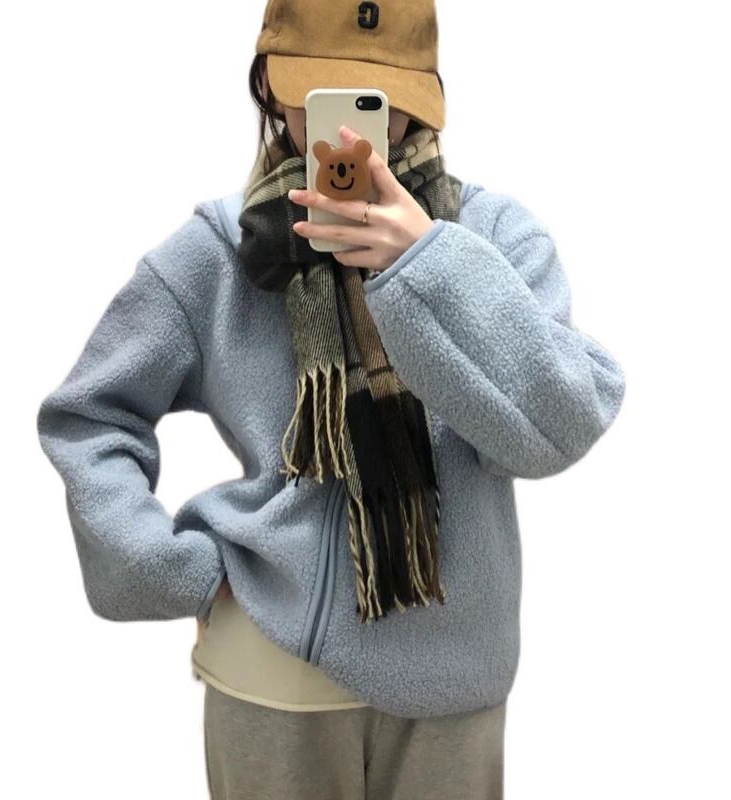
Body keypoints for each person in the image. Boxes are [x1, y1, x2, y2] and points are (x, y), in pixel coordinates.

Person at [36, 1, 626, 798]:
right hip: (271, 671)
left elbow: (560, 426)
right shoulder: (220, 251)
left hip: (454, 682)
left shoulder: (494, 237)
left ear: (423, 98)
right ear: (270, 90)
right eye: (319, 95)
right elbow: (91, 416)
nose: (347, 130)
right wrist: (165, 566)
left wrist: (424, 262)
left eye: (374, 100)